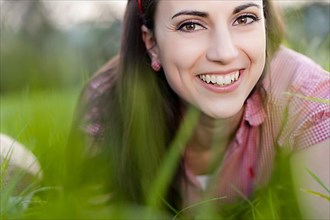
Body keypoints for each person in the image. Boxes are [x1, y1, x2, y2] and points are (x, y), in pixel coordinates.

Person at [74, 0, 329, 218]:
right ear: (152, 43)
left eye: (244, 18)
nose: (225, 53)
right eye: (191, 25)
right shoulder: (107, 108)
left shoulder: (307, 95)